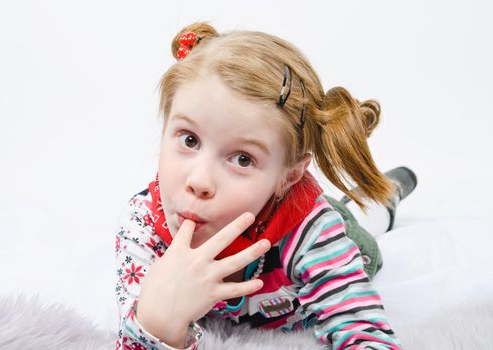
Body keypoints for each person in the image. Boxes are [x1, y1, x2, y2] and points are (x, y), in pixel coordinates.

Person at [114, 22, 416, 350]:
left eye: (242, 159)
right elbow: (136, 337)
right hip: (265, 204)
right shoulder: (143, 226)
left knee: (364, 220)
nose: (199, 181)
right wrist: (157, 324)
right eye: (190, 140)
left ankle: (389, 193)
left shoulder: (312, 232)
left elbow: (362, 328)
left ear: (289, 174)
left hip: (320, 221)